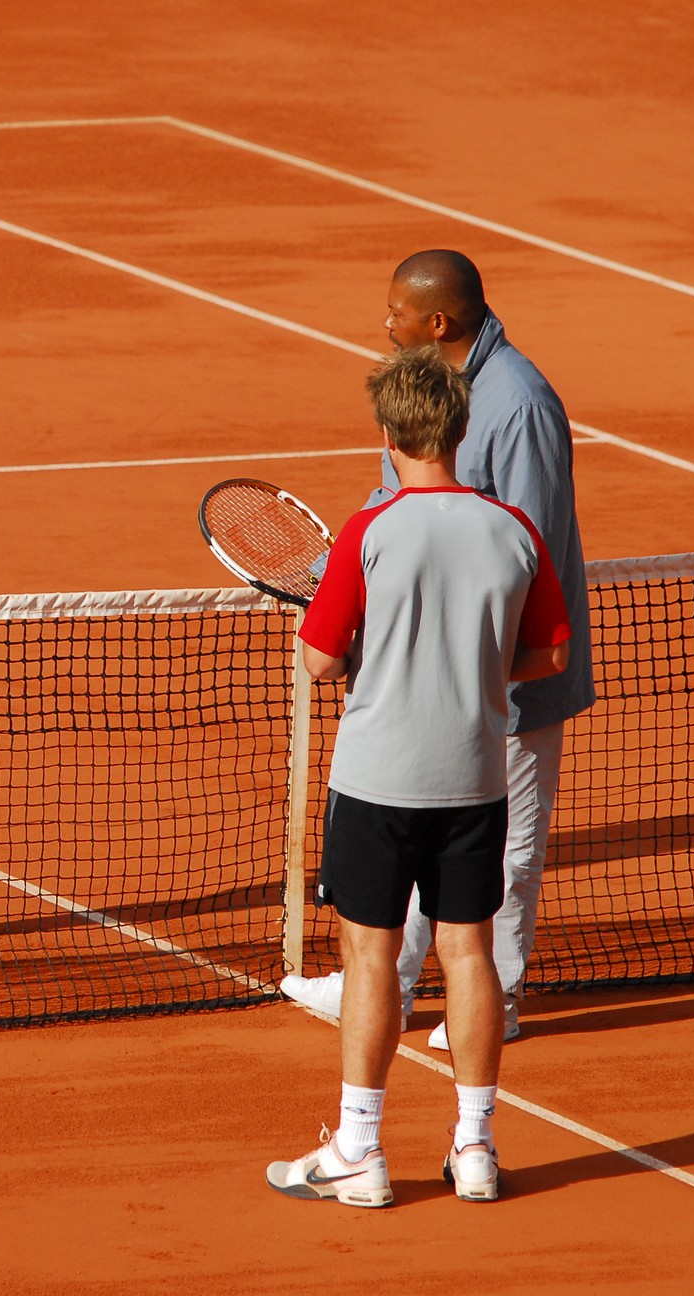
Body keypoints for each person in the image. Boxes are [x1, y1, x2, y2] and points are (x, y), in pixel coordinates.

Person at [266, 347, 572, 1207]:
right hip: (474, 775)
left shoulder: (370, 531)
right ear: (461, 428)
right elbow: (550, 651)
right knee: (468, 953)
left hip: (378, 780)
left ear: (388, 435)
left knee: (369, 956)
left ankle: (359, 1152)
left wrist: (379, 653)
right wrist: (469, 667)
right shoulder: (514, 530)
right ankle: (474, 1147)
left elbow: (321, 661)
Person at [280, 250, 595, 1047]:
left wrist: (481, 663)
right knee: (431, 840)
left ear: (439, 322)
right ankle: (374, 983)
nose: (385, 323)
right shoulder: (426, 395)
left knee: (509, 854)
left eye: (396, 311)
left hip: (506, 681)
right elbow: (397, 507)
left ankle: (503, 996)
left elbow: (530, 548)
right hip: (441, 678)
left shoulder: (518, 404)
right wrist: (333, 575)